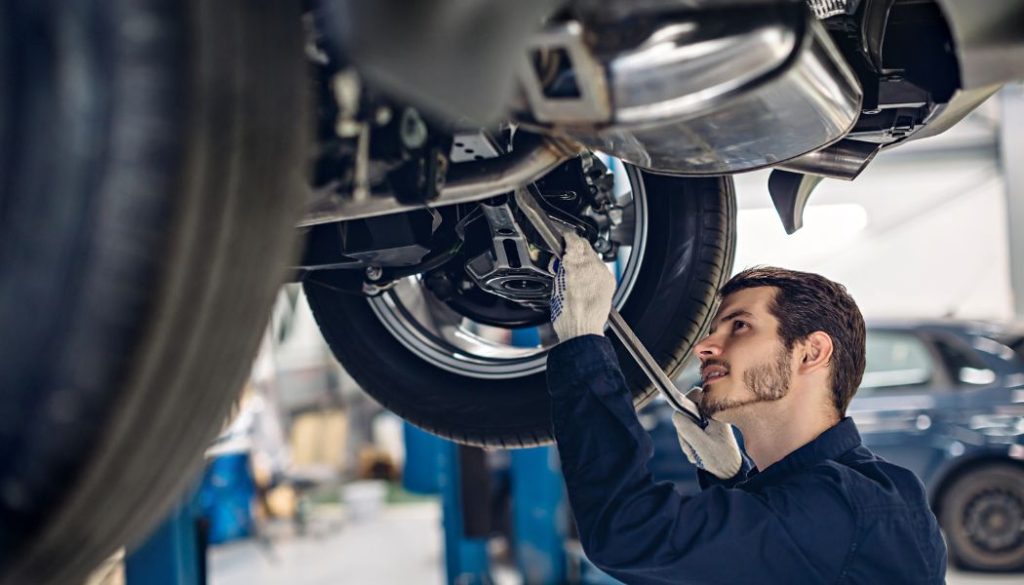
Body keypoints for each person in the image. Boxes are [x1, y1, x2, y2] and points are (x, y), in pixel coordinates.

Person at [546, 233, 947, 584]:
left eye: (739, 326)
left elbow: (627, 534)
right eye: (713, 329)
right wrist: (731, 477)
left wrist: (583, 342)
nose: (704, 347)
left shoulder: (847, 507)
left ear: (811, 353)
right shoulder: (860, 492)